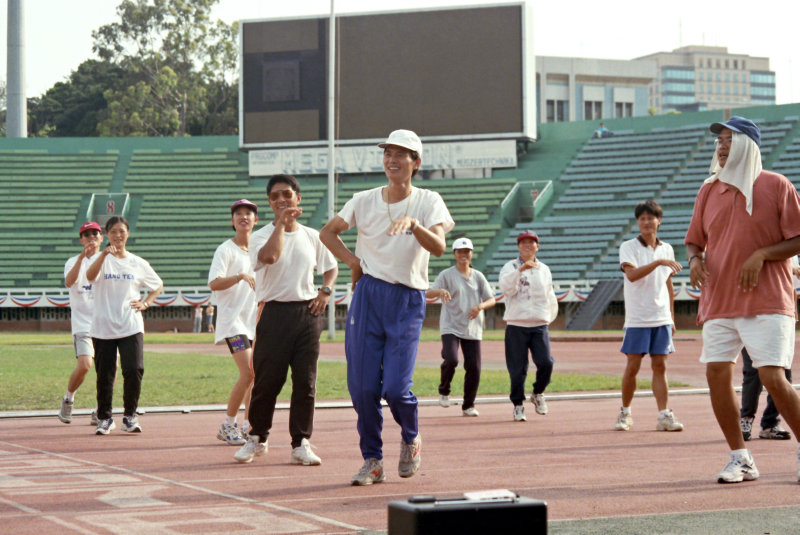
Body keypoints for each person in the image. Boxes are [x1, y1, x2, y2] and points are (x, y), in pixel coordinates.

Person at [320, 129, 453, 486]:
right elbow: (328, 232)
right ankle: (372, 460)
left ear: (416, 163)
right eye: (388, 153)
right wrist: (352, 262)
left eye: (401, 154)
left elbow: (439, 246)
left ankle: (410, 437)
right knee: (362, 387)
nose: (392, 160)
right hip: (368, 296)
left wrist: (414, 224)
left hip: (407, 299)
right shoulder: (364, 200)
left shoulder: (429, 201)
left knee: (395, 387)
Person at [685, 116, 800, 484]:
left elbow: (798, 238)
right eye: (718, 139)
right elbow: (694, 239)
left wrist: (762, 254)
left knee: (772, 377)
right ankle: (741, 457)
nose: (720, 145)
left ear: (748, 145)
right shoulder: (708, 190)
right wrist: (694, 259)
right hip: (719, 300)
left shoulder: (776, 185)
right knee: (716, 372)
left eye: (728, 139)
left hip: (767, 300)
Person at [234, 175, 337, 466]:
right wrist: (280, 224)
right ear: (269, 202)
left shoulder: (312, 236)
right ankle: (257, 438)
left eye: (287, 194)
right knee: (268, 381)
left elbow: (330, 269)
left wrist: (325, 292)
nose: (282, 200)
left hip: (306, 314)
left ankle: (301, 442)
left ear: (298, 198)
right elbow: (270, 257)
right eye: (276, 196)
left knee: (305, 382)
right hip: (273, 312)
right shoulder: (259, 236)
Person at [86, 216, 163, 435]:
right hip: (103, 326)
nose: (118, 236)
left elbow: (157, 285)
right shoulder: (101, 258)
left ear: (128, 233)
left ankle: (130, 416)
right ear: (107, 235)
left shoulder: (137, 262)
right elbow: (90, 277)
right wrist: (103, 255)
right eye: (113, 232)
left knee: (134, 369)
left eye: (122, 231)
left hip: (131, 325)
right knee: (105, 374)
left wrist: (146, 303)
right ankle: (105, 418)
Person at [614, 200, 684, 432]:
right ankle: (625, 411)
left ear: (659, 221)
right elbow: (632, 275)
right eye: (642, 218)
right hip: (638, 317)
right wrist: (657, 262)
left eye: (650, 218)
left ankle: (664, 414)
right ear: (638, 222)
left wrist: (671, 316)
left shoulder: (667, 249)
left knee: (660, 365)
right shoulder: (629, 247)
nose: (646, 222)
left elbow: (668, 284)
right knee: (633, 366)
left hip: (661, 316)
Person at [426, 237, 496, 417]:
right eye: (460, 252)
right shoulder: (446, 275)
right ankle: (444, 390)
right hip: (450, 325)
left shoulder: (478, 276)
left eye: (467, 252)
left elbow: (492, 299)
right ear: (455, 254)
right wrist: (440, 291)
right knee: (451, 359)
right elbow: (428, 292)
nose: (464, 255)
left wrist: (480, 306)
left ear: (471, 254)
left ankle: (468, 405)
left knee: (474, 367)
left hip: (472, 327)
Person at [208, 199, 259, 446]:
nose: (244, 217)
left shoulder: (259, 249)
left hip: (255, 323)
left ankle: (249, 425)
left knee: (255, 375)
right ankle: (228, 425)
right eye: (238, 214)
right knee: (248, 372)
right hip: (233, 324)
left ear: (255, 220)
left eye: (248, 213)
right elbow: (214, 283)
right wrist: (239, 276)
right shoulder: (225, 250)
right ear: (232, 221)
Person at [498, 230, 558, 422]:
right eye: (523, 243)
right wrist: (520, 270)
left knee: (546, 362)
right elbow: (506, 289)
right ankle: (518, 405)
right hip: (516, 324)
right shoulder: (510, 267)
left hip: (539, 324)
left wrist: (548, 318)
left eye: (531, 243)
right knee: (518, 369)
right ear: (518, 247)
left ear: (537, 247)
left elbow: (550, 296)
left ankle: (538, 393)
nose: (527, 246)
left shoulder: (544, 269)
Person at [739, 257, 799, 441]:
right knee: (753, 372)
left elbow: (789, 287)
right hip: (749, 313)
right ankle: (746, 419)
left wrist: (793, 313)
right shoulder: (756, 243)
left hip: (780, 315)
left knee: (783, 374)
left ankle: (770, 423)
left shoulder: (791, 249)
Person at [58, 221, 104, 425]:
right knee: (85, 365)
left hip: (107, 323)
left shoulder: (108, 260)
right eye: (86, 235)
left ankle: (101, 408)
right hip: (83, 324)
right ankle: (68, 398)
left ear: (102, 237)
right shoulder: (72, 261)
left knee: (107, 370)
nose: (91, 237)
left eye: (95, 233)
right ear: (81, 240)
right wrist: (81, 257)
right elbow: (69, 282)